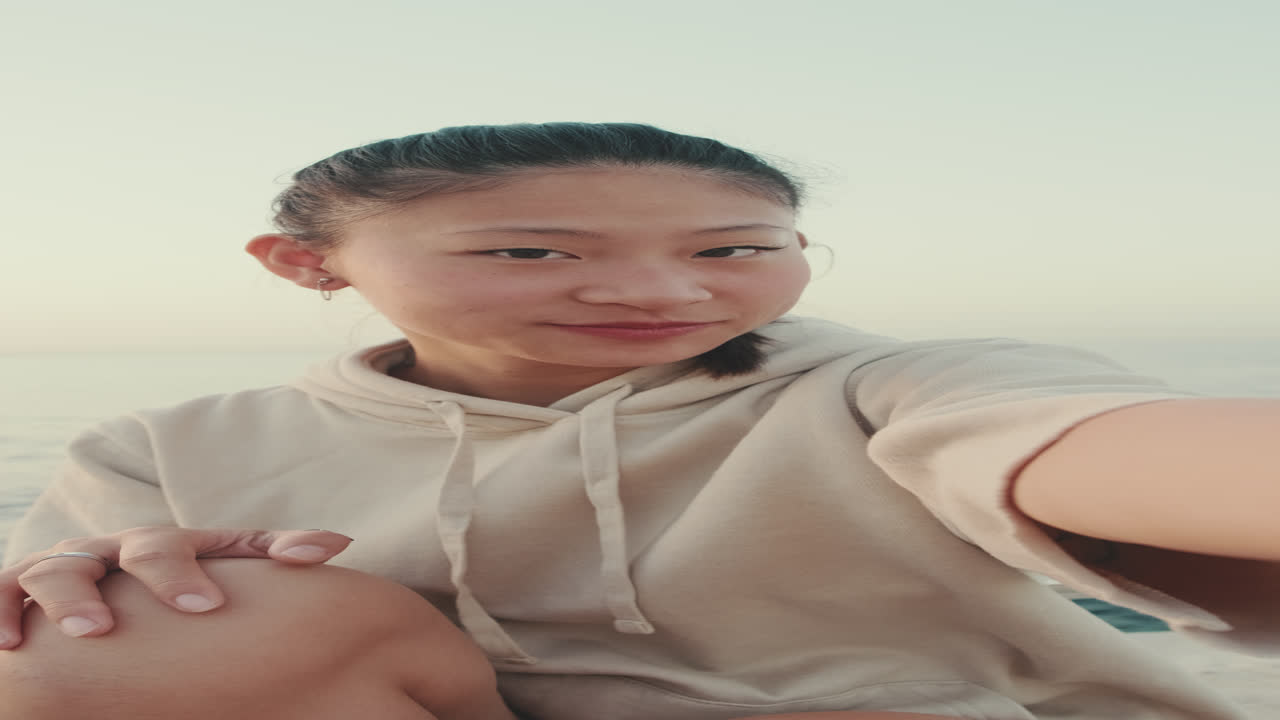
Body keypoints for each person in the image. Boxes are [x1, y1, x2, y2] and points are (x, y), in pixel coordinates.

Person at [0, 122, 1275, 720]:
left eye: (734, 247)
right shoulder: (167, 447)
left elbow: (1092, 441)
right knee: (113, 625)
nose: (662, 292)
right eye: (531, 248)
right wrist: (58, 587)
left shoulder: (887, 382)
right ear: (303, 263)